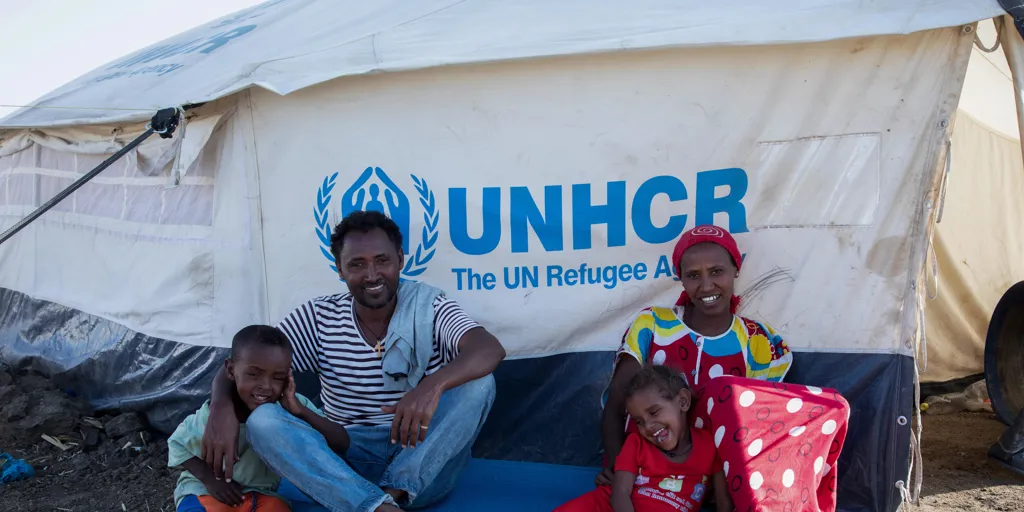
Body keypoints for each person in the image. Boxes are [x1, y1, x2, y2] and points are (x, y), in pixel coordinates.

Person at [201, 210, 506, 512]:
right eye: (357, 264)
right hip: (344, 462)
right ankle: (376, 506)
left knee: (479, 383)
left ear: (400, 259)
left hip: (424, 466)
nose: (372, 275)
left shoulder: (430, 306)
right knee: (263, 422)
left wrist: (430, 388)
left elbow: (488, 349)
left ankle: (389, 495)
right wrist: (221, 408)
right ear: (339, 268)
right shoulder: (319, 317)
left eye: (382, 261)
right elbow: (243, 362)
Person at [600, 224, 850, 511]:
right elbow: (618, 403)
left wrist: (728, 488)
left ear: (735, 270)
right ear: (680, 279)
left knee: (733, 393)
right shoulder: (653, 324)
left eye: (717, 271)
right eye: (693, 275)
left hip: (720, 483)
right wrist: (621, 471)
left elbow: (762, 428)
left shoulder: (759, 340)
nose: (706, 286)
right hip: (645, 476)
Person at [169, 325, 349, 512]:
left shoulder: (289, 405)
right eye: (254, 374)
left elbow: (342, 441)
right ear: (231, 370)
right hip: (209, 492)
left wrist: (301, 411)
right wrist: (212, 481)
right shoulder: (218, 416)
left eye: (278, 377)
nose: (265, 386)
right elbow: (177, 445)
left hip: (262, 494)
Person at [556, 366, 732, 512]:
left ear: (683, 402)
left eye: (654, 412)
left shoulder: (710, 446)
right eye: (639, 421)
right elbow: (619, 493)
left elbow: (724, 503)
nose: (648, 426)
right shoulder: (636, 443)